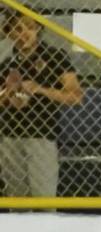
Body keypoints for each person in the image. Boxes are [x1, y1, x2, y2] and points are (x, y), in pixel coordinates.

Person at [0, 12, 83, 198]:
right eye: (18, 29)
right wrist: (8, 92)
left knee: (44, 197)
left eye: (30, 27)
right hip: (10, 135)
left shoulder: (54, 57)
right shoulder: (6, 60)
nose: (25, 34)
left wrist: (39, 89)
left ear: (38, 29)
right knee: (16, 200)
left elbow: (75, 96)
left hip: (41, 134)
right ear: (10, 33)